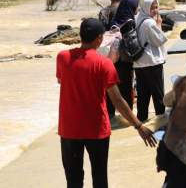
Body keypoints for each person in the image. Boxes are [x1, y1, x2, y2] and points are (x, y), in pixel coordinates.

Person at [57, 18, 156, 188]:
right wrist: (139, 125)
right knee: (100, 178)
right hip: (97, 130)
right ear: (99, 39)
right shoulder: (104, 64)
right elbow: (117, 100)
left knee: (73, 181)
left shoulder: (62, 58)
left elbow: (62, 81)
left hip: (69, 129)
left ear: (81, 36)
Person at [133, 0, 168, 122]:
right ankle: (161, 121)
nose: (155, 10)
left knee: (143, 95)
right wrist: (159, 25)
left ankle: (141, 120)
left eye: (156, 7)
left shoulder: (137, 19)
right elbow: (160, 40)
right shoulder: (150, 23)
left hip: (139, 63)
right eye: (152, 8)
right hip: (152, 62)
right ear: (145, 8)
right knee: (158, 94)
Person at [107, 0, 139, 117]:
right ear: (131, 7)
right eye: (136, 6)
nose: (138, 9)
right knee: (126, 89)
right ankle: (127, 117)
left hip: (113, 59)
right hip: (125, 60)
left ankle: (111, 115)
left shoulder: (114, 21)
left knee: (112, 87)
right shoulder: (130, 22)